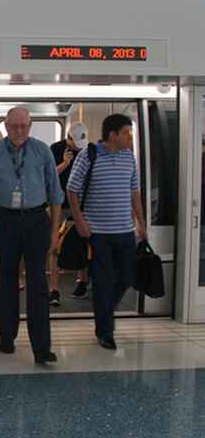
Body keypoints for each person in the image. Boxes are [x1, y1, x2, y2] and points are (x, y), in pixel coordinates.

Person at [0, 107, 63, 364]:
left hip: (36, 221)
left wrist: (54, 232)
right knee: (6, 281)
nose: (19, 131)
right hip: (6, 222)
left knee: (38, 285)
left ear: (29, 126)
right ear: (6, 127)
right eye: (14, 126)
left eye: (24, 126)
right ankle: (7, 338)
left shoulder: (42, 151)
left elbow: (56, 195)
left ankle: (42, 348)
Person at [67, 113, 146, 351]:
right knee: (101, 282)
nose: (129, 138)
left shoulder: (129, 158)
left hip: (124, 231)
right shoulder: (88, 156)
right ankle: (105, 331)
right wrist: (79, 220)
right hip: (98, 232)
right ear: (113, 135)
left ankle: (105, 310)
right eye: (126, 133)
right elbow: (72, 190)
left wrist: (142, 224)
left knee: (127, 277)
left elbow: (134, 193)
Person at [48, 123, 90, 305]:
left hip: (83, 205)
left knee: (83, 243)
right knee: (55, 245)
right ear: (68, 138)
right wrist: (64, 164)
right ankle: (54, 289)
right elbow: (48, 176)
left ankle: (83, 280)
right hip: (60, 204)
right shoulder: (55, 149)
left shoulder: (89, 151)